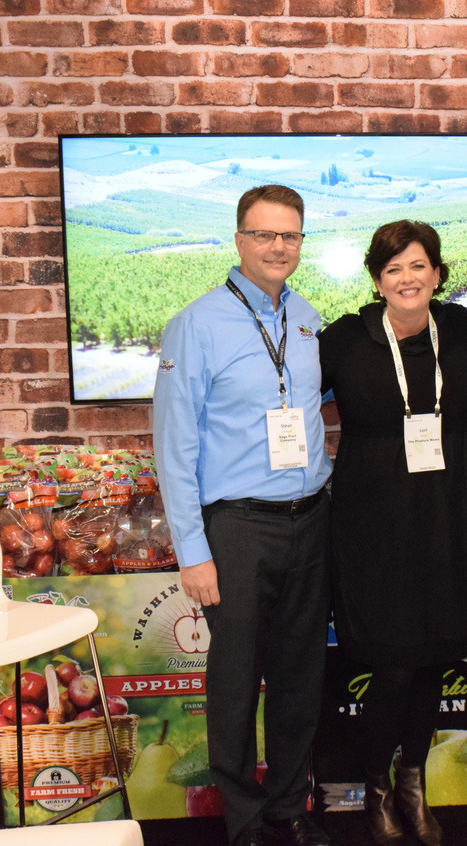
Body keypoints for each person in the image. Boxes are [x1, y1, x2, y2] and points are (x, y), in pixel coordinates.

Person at [153, 185, 333, 846]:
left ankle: (288, 806)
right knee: (234, 679)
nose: (278, 247)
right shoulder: (195, 324)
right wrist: (193, 550)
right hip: (237, 527)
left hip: (310, 519)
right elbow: (173, 445)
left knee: (299, 675)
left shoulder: (307, 318)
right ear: (239, 240)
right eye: (264, 234)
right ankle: (245, 819)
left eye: (290, 235)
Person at [319, 221, 467, 846]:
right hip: (374, 529)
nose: (407, 278)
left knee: (431, 660)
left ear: (438, 274)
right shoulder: (346, 339)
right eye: (393, 268)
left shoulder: (465, 330)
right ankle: (376, 787)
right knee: (394, 664)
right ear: (377, 280)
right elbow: (283, 395)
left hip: (449, 521)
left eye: (418, 265)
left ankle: (412, 783)